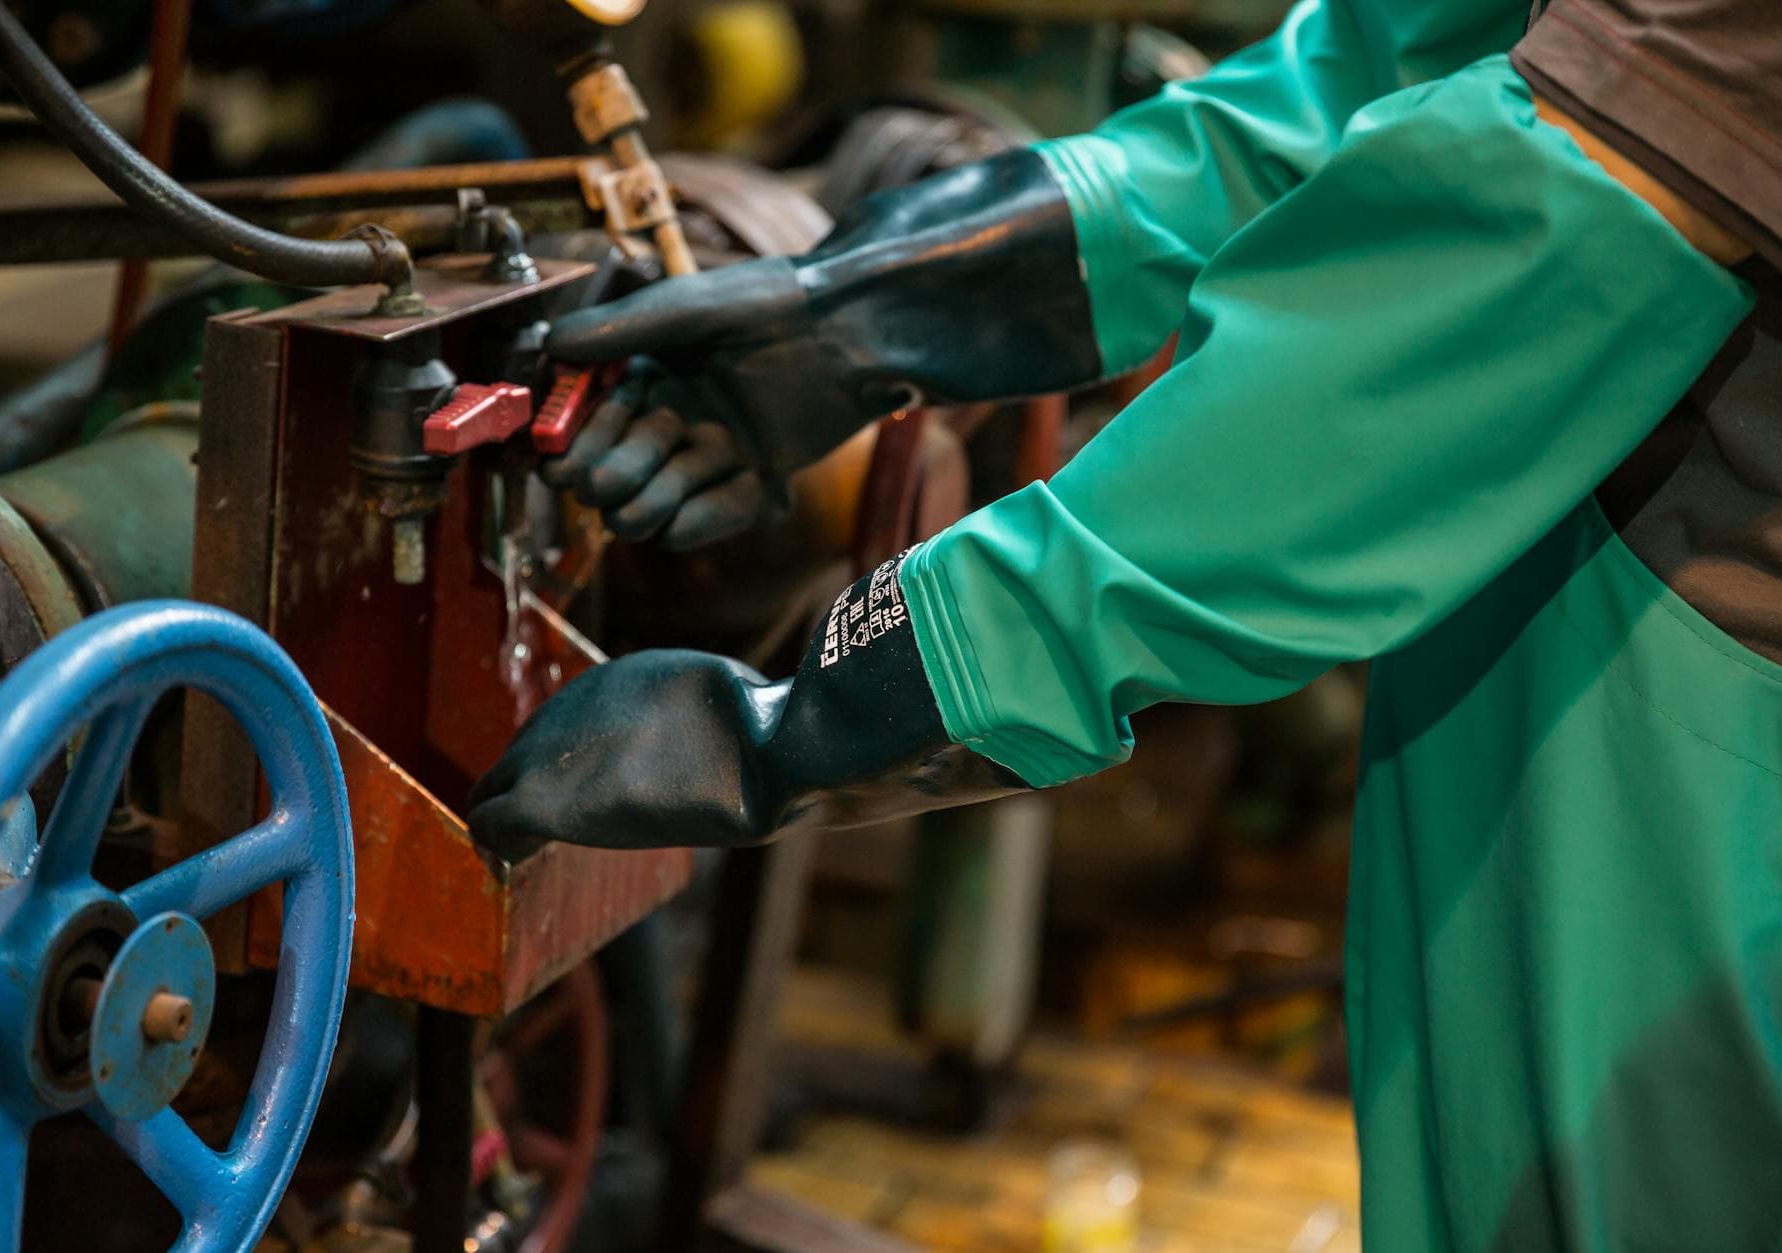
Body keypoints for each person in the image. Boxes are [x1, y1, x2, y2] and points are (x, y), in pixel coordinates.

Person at [470, 0, 1782, 1245]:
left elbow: (1534, 239)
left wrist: (843, 706)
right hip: (1567, 611)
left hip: (1714, 709)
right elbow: (1381, 76)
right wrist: (868, 304)